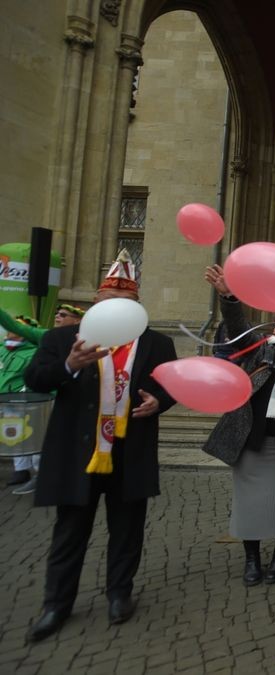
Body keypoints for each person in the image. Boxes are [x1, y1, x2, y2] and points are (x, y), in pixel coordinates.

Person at [23, 250, 177, 641]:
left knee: (127, 529)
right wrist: (70, 365)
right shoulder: (62, 339)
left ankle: (119, 594)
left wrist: (160, 400)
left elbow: (170, 386)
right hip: (78, 453)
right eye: (109, 303)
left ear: (138, 308)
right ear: (95, 302)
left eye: (125, 305)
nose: (116, 311)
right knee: (70, 530)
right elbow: (37, 379)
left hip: (131, 450)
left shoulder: (157, 343)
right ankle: (56, 604)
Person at [200, 264, 275, 587]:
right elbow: (236, 323)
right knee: (250, 504)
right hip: (252, 439)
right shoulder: (258, 348)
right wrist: (229, 297)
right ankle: (252, 559)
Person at [2, 305, 84, 491]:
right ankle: (25, 472)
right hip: (38, 396)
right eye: (56, 313)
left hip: (65, 400)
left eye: (63, 315)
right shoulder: (47, 336)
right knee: (24, 434)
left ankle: (46, 475)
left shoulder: (89, 337)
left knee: (45, 438)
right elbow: (17, 327)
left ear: (77, 320)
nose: (57, 317)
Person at [3, 314, 40, 493]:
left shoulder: (33, 351)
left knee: (32, 434)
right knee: (14, 435)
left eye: (15, 328)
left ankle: (39, 472)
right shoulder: (2, 350)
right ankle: (20, 470)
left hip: (24, 399)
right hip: (4, 399)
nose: (10, 331)